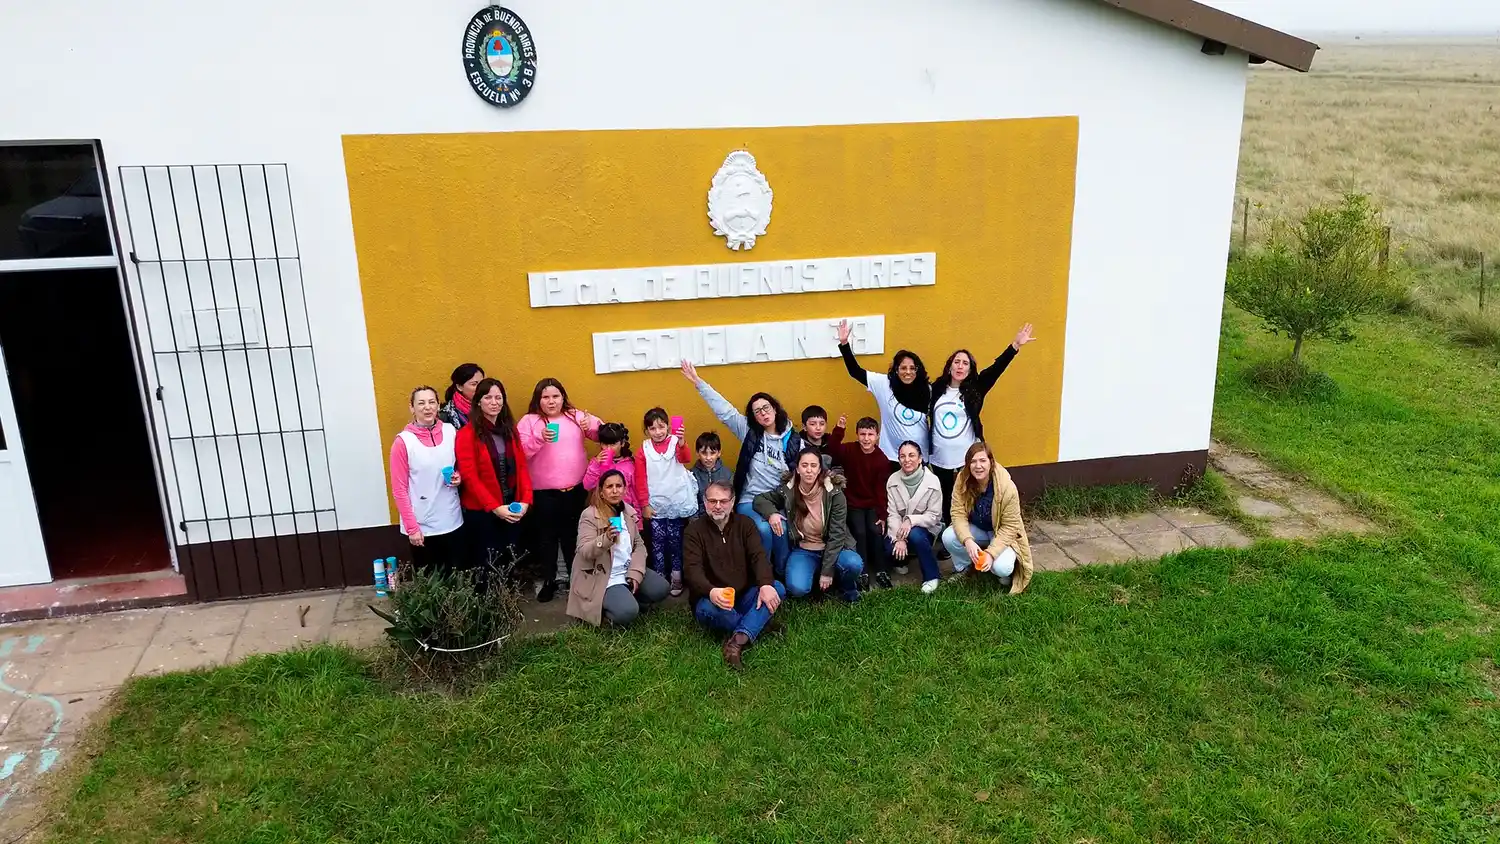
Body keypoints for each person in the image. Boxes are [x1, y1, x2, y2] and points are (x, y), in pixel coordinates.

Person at [680, 360, 803, 573]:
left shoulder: (793, 440)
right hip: (750, 499)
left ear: (774, 408)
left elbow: (810, 466)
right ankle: (761, 574)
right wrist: (698, 383)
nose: (763, 413)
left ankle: (781, 573)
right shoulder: (749, 432)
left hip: (779, 499)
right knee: (763, 529)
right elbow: (725, 411)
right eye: (757, 411)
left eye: (766, 408)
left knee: (781, 529)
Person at [928, 324, 1038, 532]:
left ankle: (971, 532)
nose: (960, 366)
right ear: (949, 366)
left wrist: (1015, 345)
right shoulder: (936, 389)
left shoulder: (976, 387)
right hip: (940, 455)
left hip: (967, 454)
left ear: (970, 369)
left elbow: (997, 369)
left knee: (969, 493)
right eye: (956, 362)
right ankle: (949, 534)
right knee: (946, 494)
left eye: (965, 363)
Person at [683, 481, 786, 670]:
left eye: (723, 501)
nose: (718, 506)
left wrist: (764, 584)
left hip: (745, 594)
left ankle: (737, 641)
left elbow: (759, 557)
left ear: (733, 502)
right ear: (704, 503)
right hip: (712, 599)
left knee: (776, 588)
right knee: (708, 609)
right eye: (712, 501)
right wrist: (711, 591)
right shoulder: (693, 531)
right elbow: (692, 570)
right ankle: (757, 625)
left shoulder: (745, 525)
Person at [518, 378, 603, 603]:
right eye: (545, 397)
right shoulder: (529, 421)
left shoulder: (575, 416)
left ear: (563, 397)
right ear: (538, 399)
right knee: (546, 538)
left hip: (575, 490)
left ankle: (577, 580)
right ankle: (549, 580)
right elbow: (520, 453)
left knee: (572, 537)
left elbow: (602, 433)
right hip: (543, 493)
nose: (551, 401)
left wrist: (590, 427)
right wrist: (539, 439)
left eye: (555, 396)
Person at [753, 448, 863, 601]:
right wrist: (771, 513)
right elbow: (760, 500)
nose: (809, 470)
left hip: (833, 547)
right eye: (804, 465)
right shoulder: (789, 490)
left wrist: (827, 571)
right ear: (797, 469)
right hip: (804, 549)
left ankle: (847, 587)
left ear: (819, 469)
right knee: (797, 588)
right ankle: (814, 577)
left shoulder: (834, 494)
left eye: (813, 465)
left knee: (853, 564)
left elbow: (837, 535)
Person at [567, 469, 669, 628]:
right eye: (609, 487)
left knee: (661, 588)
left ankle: (625, 599)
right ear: (601, 492)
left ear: (624, 489)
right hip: (603, 574)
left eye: (618, 486)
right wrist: (606, 538)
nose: (615, 491)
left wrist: (635, 572)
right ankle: (604, 613)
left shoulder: (627, 511)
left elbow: (639, 545)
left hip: (626, 568)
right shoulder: (589, 515)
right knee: (627, 612)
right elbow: (584, 551)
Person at [454, 377, 532, 573]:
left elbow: (522, 467)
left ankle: (508, 602)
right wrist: (495, 508)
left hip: (512, 507)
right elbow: (470, 477)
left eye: (499, 397)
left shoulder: (510, 431)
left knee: (511, 561)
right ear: (478, 401)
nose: (494, 402)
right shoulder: (466, 434)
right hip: (483, 512)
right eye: (488, 397)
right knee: (488, 564)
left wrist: (525, 501)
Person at [389, 386, 467, 571]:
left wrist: (458, 476)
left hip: (451, 518)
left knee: (454, 575)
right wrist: (412, 528)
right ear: (412, 407)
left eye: (432, 402)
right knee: (430, 582)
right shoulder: (403, 442)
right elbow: (399, 489)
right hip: (422, 525)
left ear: (437, 406)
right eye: (421, 403)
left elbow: (460, 465)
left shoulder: (450, 432)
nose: (427, 407)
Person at [941, 442, 1034, 594]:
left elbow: (1011, 527)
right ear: (967, 464)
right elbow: (957, 513)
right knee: (948, 537)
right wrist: (968, 541)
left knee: (1002, 568)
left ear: (991, 462)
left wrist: (991, 553)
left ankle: (997, 567)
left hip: (999, 532)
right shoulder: (962, 479)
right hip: (977, 528)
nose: (978, 466)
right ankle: (964, 567)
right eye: (973, 461)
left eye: (982, 460)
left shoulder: (1007, 487)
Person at [835, 319, 930, 463]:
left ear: (918, 370)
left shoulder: (927, 389)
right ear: (896, 370)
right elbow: (855, 371)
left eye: (912, 368)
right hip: (892, 457)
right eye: (903, 368)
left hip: (920, 456)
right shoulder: (884, 384)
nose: (908, 372)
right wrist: (844, 344)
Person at [633, 408, 698, 597]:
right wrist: (644, 504)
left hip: (676, 502)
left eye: (661, 427)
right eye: (652, 428)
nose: (658, 431)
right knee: (657, 542)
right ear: (646, 431)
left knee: (676, 540)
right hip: (656, 505)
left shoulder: (675, 442)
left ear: (668, 426)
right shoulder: (643, 450)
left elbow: (685, 458)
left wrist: (683, 442)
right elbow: (640, 479)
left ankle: (676, 576)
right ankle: (660, 578)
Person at [831, 417, 891, 589]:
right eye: (862, 434)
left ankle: (881, 570)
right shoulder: (850, 449)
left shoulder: (881, 460)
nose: (866, 438)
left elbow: (881, 489)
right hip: (854, 503)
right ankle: (862, 572)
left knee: (875, 530)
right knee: (860, 532)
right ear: (857, 435)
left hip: (872, 503)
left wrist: (882, 514)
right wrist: (839, 430)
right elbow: (833, 450)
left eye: (870, 434)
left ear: (877, 436)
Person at [885, 440, 944, 593]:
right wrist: (899, 539)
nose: (907, 460)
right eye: (902, 456)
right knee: (887, 545)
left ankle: (932, 576)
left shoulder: (932, 481)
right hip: (900, 530)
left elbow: (934, 516)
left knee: (916, 534)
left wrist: (911, 520)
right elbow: (893, 513)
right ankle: (901, 560)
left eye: (912, 455)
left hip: (926, 529)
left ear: (920, 458)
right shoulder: (892, 480)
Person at [582, 422, 643, 527]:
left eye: (613, 444)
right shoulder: (596, 463)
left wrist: (638, 518)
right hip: (602, 511)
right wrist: (596, 464)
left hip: (625, 511)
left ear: (622, 443)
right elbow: (587, 485)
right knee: (609, 539)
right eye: (605, 444)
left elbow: (635, 491)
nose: (608, 448)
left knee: (625, 540)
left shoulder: (630, 465)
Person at [691, 431, 732, 516]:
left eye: (712, 453)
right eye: (704, 453)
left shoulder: (727, 474)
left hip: (722, 517)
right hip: (700, 519)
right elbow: (691, 505)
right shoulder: (692, 475)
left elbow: (730, 502)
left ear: (719, 453)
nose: (708, 458)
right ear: (697, 453)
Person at [438, 363, 485, 429]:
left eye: (482, 383)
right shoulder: (445, 416)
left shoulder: (490, 408)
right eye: (474, 384)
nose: (480, 387)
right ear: (459, 387)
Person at [800, 406, 843, 473]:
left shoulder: (830, 443)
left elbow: (838, 467)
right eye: (813, 424)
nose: (818, 428)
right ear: (804, 427)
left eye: (822, 424)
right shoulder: (799, 445)